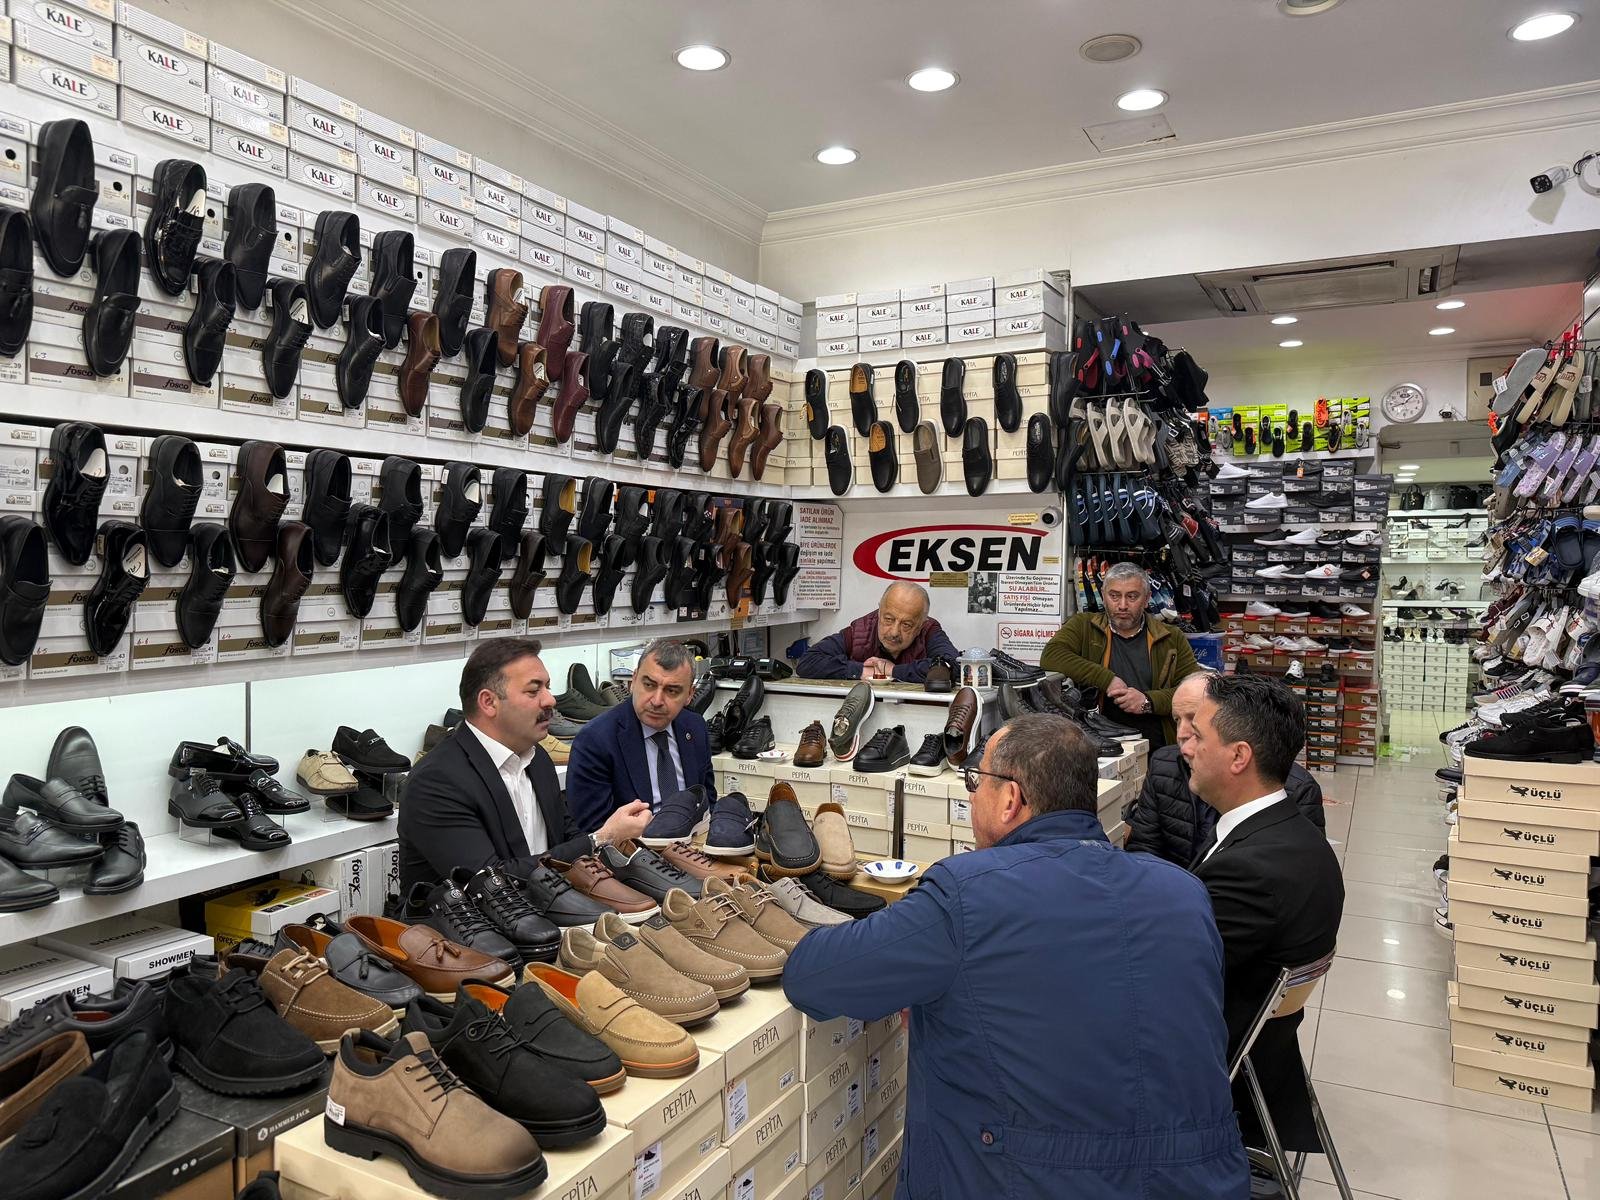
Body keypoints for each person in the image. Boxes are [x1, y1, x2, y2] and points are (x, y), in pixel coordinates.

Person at [783, 713, 1248, 1199]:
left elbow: (814, 976)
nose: (969, 796)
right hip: (1204, 1181)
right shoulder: (1184, 893)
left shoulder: (967, 892)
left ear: (1011, 798)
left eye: (975, 781)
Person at [1183, 673, 1344, 1173]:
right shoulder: (1290, 834)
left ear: (1238, 756)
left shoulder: (1251, 868)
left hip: (1212, 1052)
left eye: (1198, 734)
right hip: (1262, 1039)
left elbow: (1174, 976)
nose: (1186, 746)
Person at [397, 637, 652, 895]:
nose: (550, 700)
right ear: (489, 702)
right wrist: (601, 839)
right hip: (475, 918)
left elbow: (567, 834)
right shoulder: (436, 782)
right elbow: (489, 882)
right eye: (533, 691)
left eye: (548, 688)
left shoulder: (537, 758)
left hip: (547, 906)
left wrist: (608, 844)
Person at [1126, 671, 1325, 864]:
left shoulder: (1295, 790)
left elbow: (1297, 868)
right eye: (1177, 719)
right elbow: (1143, 849)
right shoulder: (1163, 765)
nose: (1181, 734)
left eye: (1194, 720)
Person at [1039, 562, 1199, 748]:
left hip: (1157, 744)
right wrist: (1107, 679)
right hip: (1097, 741)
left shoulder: (1171, 637)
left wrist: (1148, 701)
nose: (1122, 605)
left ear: (1147, 599)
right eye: (1114, 596)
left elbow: (1194, 692)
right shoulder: (1084, 626)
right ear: (1103, 595)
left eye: (1132, 597)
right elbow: (1051, 655)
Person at [566, 638, 716, 833]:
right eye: (649, 685)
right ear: (633, 681)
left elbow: (708, 803)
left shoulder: (695, 727)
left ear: (689, 694)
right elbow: (593, 830)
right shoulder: (595, 740)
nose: (657, 701)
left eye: (672, 691)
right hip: (629, 847)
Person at [795, 582, 959, 684]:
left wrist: (893, 671)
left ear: (920, 625)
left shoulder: (929, 630)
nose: (894, 632)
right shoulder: (860, 630)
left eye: (906, 625)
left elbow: (953, 666)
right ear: (879, 612)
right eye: (888, 619)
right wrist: (861, 670)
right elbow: (807, 662)